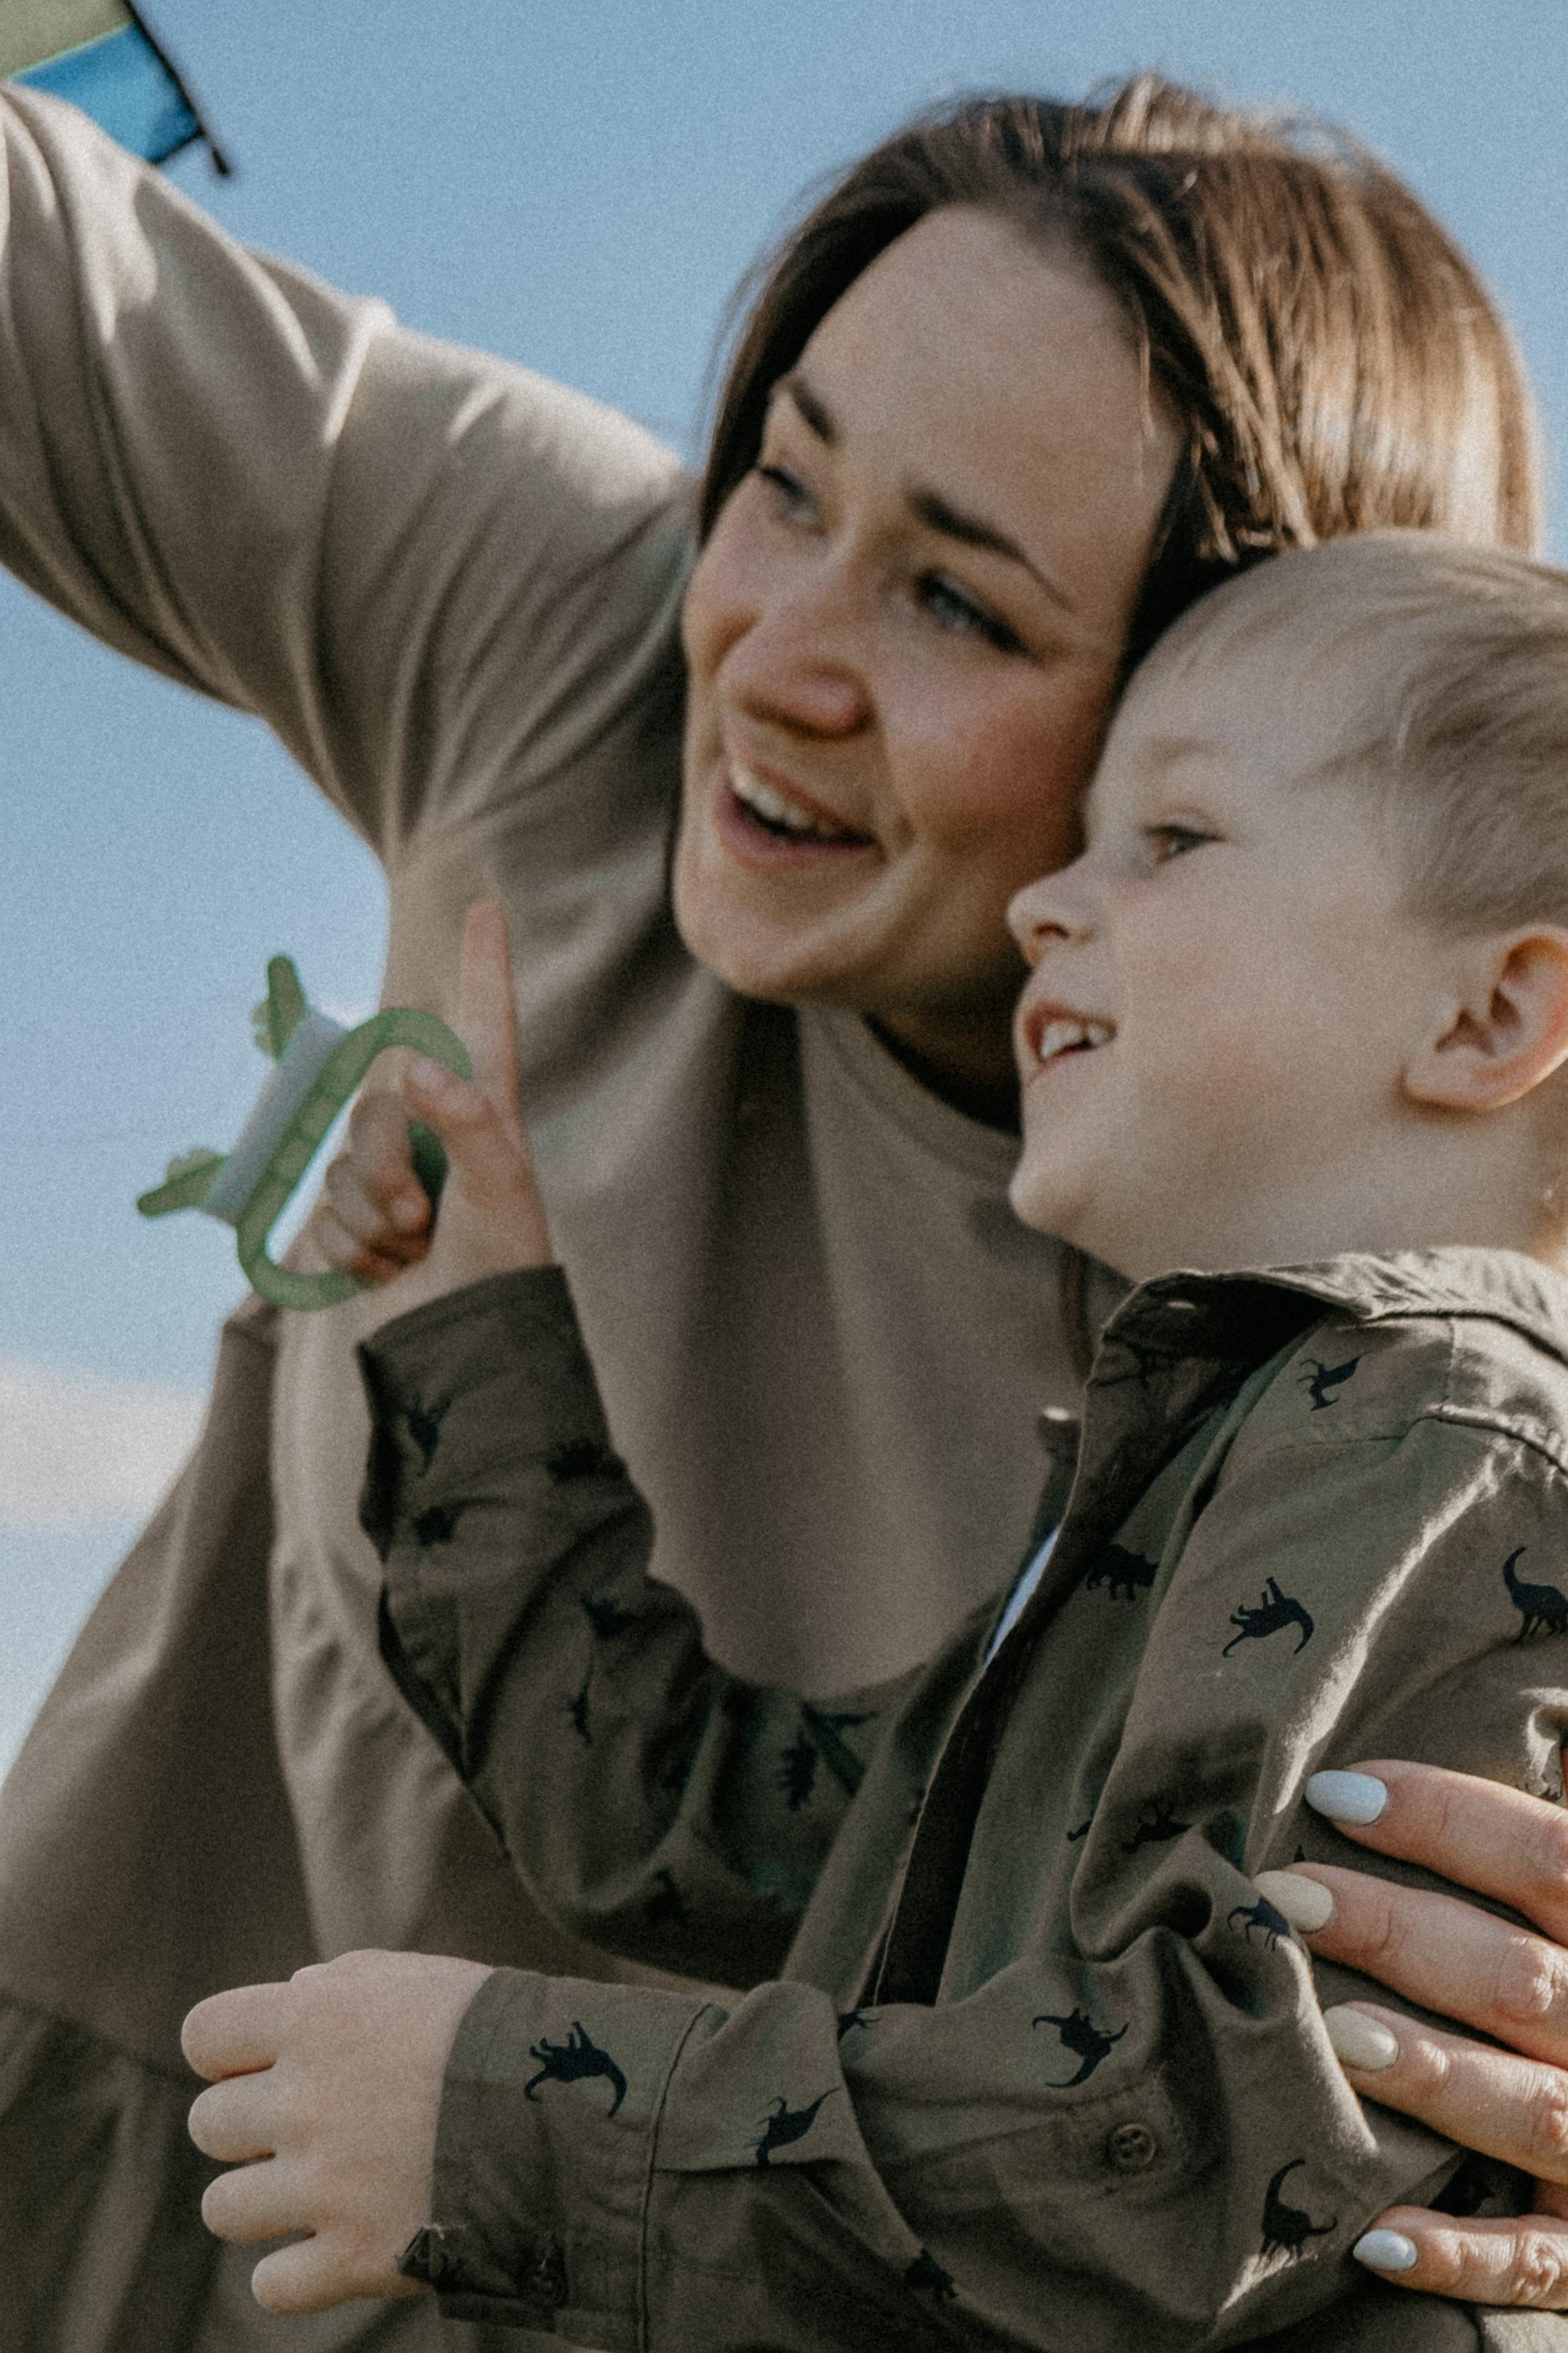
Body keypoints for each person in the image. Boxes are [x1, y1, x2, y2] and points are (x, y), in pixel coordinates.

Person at [0, 67, 1565, 2352]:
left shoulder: (1383, 1404)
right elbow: (711, 1815)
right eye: (781, 478)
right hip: (152, 2180)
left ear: (1240, 685)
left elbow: (1198, 2121)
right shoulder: (580, 627)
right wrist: (473, 1336)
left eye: (959, 600)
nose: (777, 654)